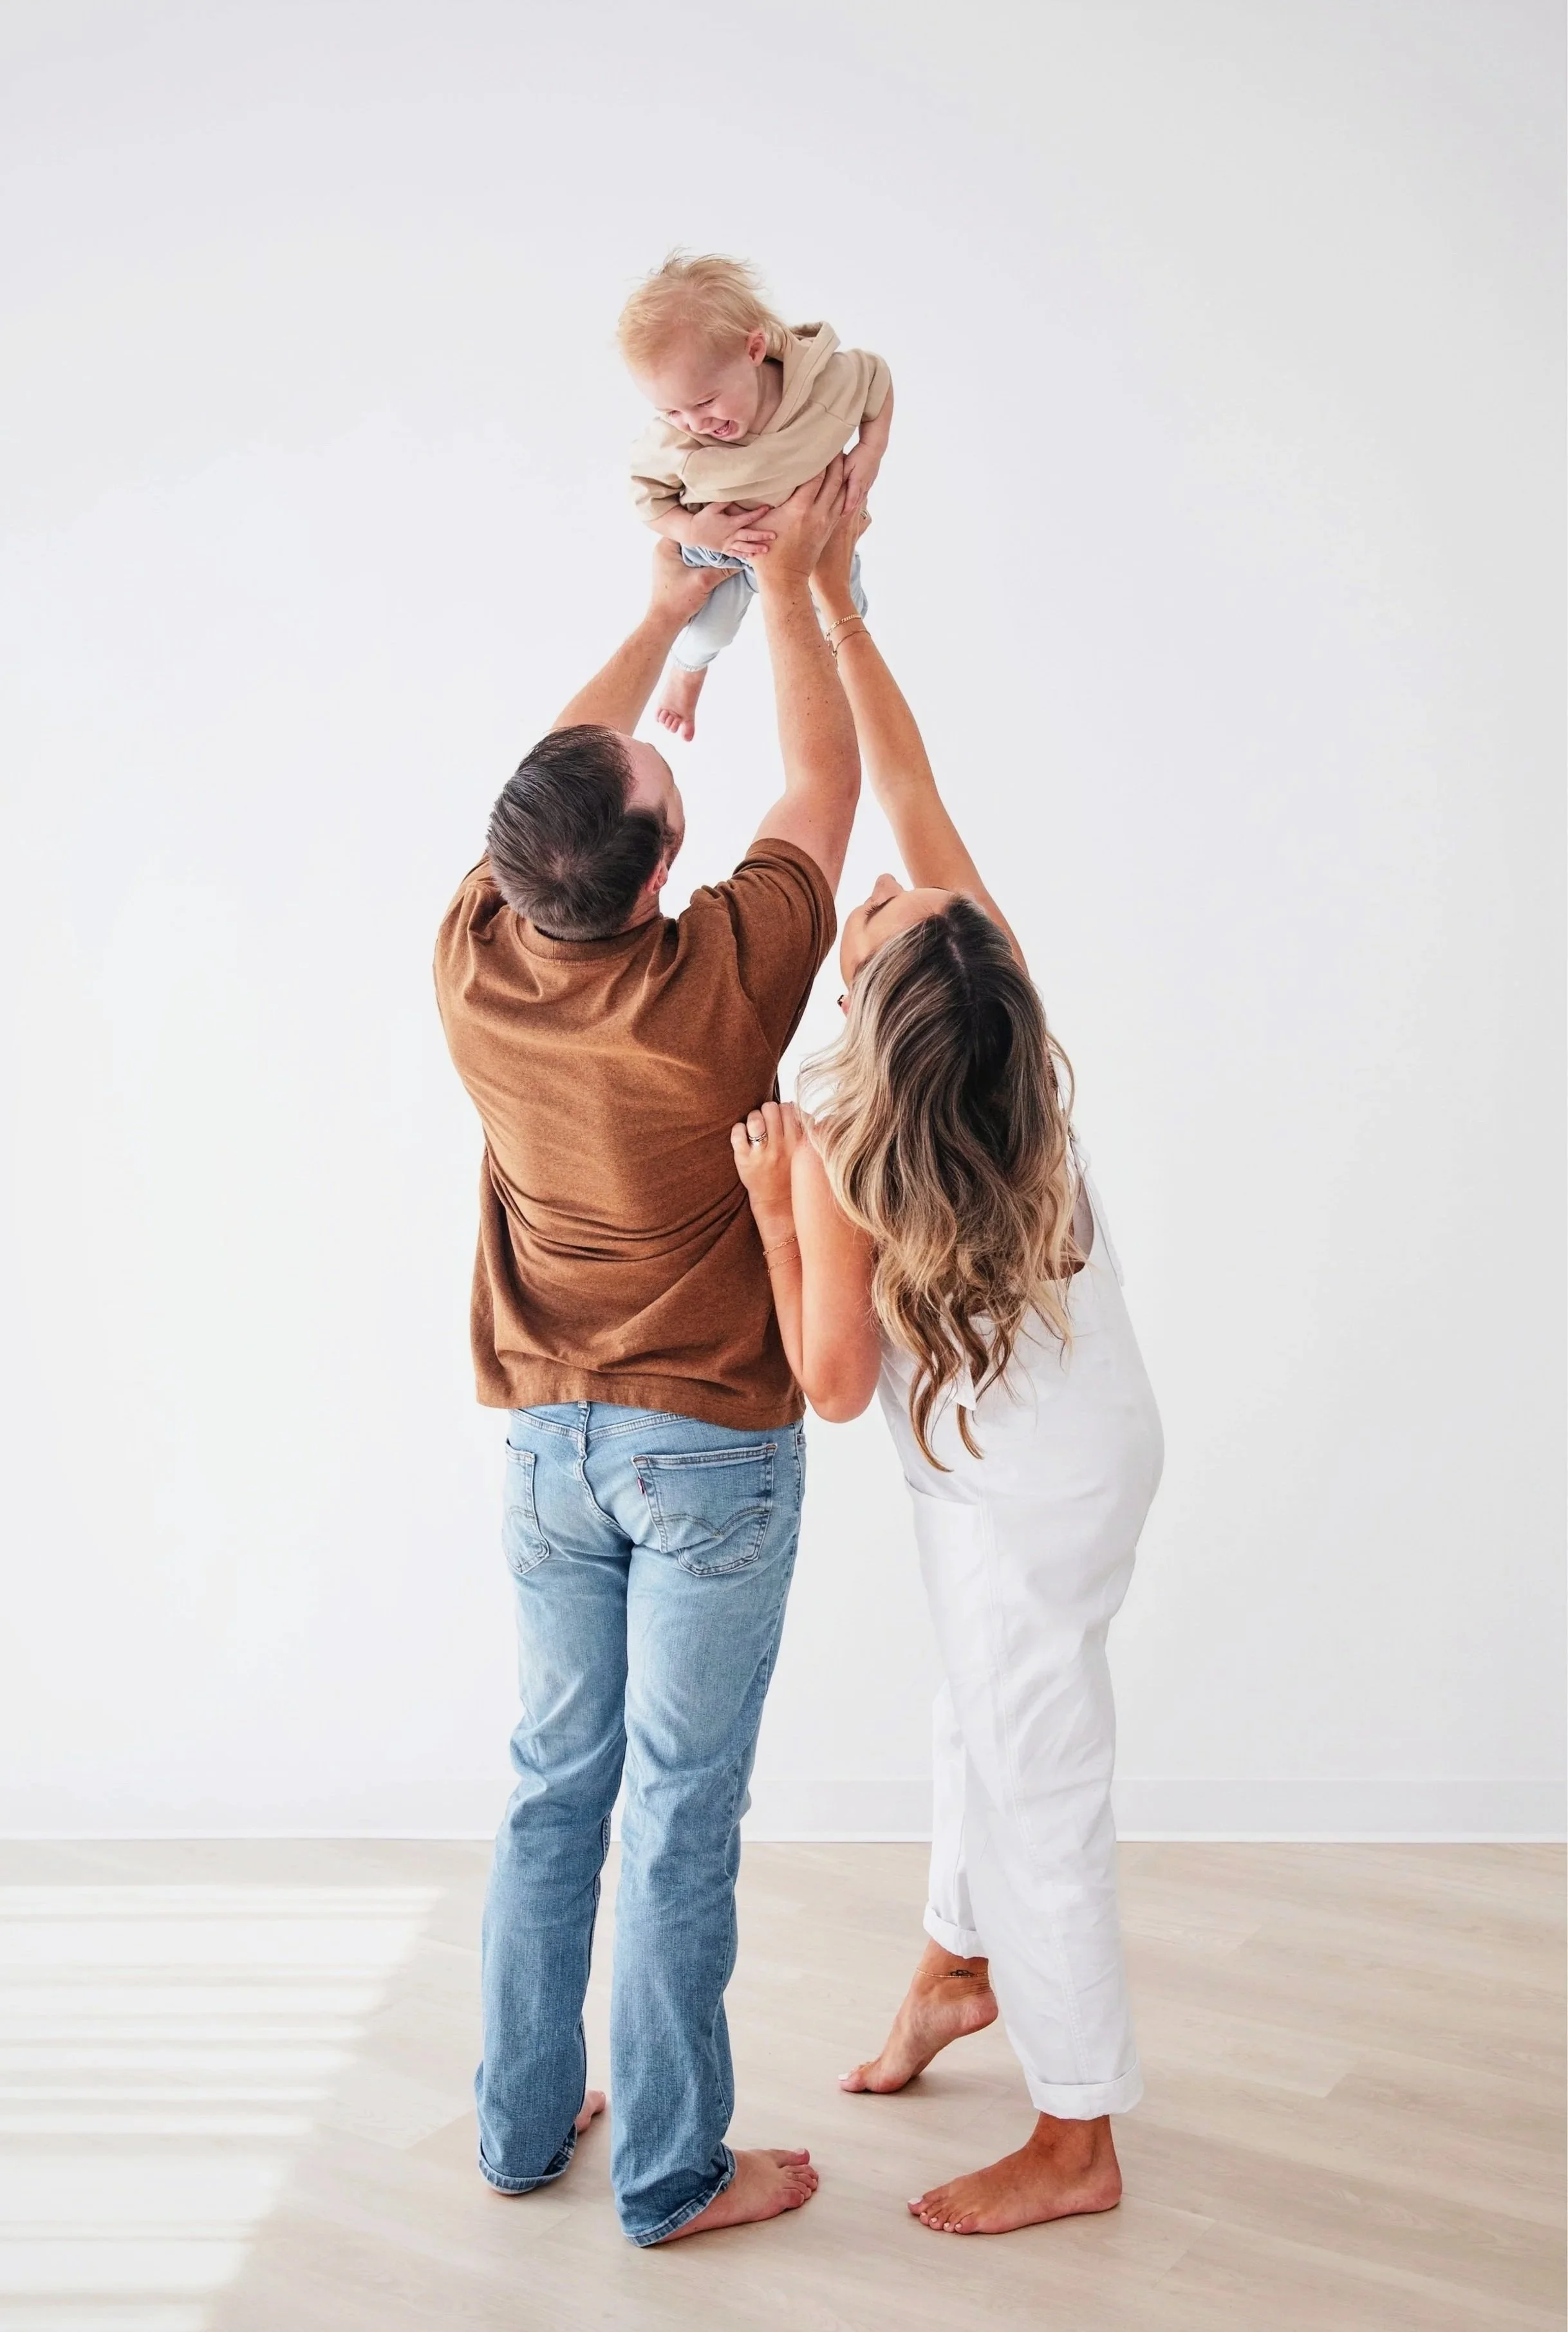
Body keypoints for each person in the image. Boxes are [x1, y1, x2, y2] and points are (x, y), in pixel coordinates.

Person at [433, 462, 860, 2246]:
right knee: (679, 1808)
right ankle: (674, 2170)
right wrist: (810, 583)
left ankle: (526, 2128)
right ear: (664, 864)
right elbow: (827, 785)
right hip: (705, 1450)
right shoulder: (721, 981)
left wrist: (666, 611)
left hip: (545, 1442)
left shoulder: (474, 959)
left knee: (554, 1783)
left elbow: (548, 785)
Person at [731, 512, 1164, 2238]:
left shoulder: (840, 1147)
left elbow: (830, 1381)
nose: (884, 889)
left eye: (887, 911)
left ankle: (1077, 2131)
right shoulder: (1002, 1023)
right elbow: (906, 783)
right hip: (1076, 1439)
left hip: (1019, 1478)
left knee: (1037, 1775)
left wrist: (775, 1212)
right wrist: (829, 598)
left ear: (880, 1012)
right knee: (972, 1711)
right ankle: (951, 1961)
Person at [619, 250, 893, 741]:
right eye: (672, 412)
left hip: (817, 543)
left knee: (848, 613)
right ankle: (686, 674)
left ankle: (844, 688)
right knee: (710, 629)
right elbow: (646, 499)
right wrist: (691, 529)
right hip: (724, 546)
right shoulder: (675, 443)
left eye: (705, 401)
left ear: (754, 349)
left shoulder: (823, 385)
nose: (696, 423)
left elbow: (877, 376)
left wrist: (871, 450)